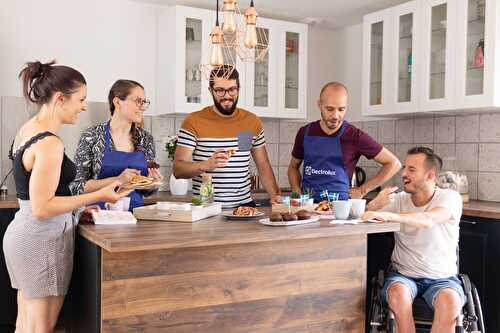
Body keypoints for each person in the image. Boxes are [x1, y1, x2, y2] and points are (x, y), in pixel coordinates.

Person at [3, 60, 131, 333]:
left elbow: (58, 190)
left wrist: (112, 184)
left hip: (26, 235)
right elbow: (42, 207)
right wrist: (97, 197)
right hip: (42, 239)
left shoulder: (29, 129)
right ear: (61, 98)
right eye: (81, 99)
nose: (84, 106)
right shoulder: (50, 143)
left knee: (25, 325)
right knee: (41, 328)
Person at [363, 147, 464, 333]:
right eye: (404, 168)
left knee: (451, 301)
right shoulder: (398, 200)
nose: (403, 174)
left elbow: (428, 220)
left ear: (429, 176)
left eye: (411, 169)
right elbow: (360, 220)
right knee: (397, 294)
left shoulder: (450, 198)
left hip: (443, 278)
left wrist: (392, 217)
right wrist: (374, 204)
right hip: (403, 275)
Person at [173, 65, 280, 207]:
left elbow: (263, 165)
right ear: (210, 90)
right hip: (206, 207)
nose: (227, 96)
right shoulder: (193, 122)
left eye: (232, 89)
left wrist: (276, 197)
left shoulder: (251, 122)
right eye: (220, 90)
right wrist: (206, 165)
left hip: (244, 207)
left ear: (238, 89)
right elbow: (178, 170)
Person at [288, 81, 401, 202]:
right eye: (330, 109)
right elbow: (293, 168)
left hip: (340, 212)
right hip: (308, 209)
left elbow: (394, 163)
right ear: (319, 105)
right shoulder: (305, 133)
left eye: (341, 109)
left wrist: (363, 190)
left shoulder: (355, 136)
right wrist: (296, 191)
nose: (336, 116)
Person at [71, 79, 162, 211]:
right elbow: (77, 186)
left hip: (135, 214)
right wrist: (117, 180)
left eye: (144, 102)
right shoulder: (93, 136)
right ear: (117, 102)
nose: (143, 106)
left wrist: (153, 183)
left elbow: (145, 192)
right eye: (138, 101)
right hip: (98, 213)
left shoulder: (145, 139)